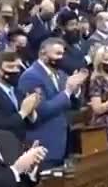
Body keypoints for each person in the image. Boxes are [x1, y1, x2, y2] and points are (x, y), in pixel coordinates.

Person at [17, 38, 88, 169]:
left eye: (62, 54)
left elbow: (74, 106)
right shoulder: (31, 76)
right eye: (57, 54)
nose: (61, 58)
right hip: (43, 144)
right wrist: (67, 91)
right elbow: (41, 110)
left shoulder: (61, 74)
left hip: (62, 142)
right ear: (43, 53)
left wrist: (76, 90)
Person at [0, 52, 40, 142]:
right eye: (10, 67)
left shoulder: (19, 92)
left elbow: (29, 124)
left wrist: (31, 111)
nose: (15, 71)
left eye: (18, 67)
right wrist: (23, 112)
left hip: (22, 142)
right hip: (4, 144)